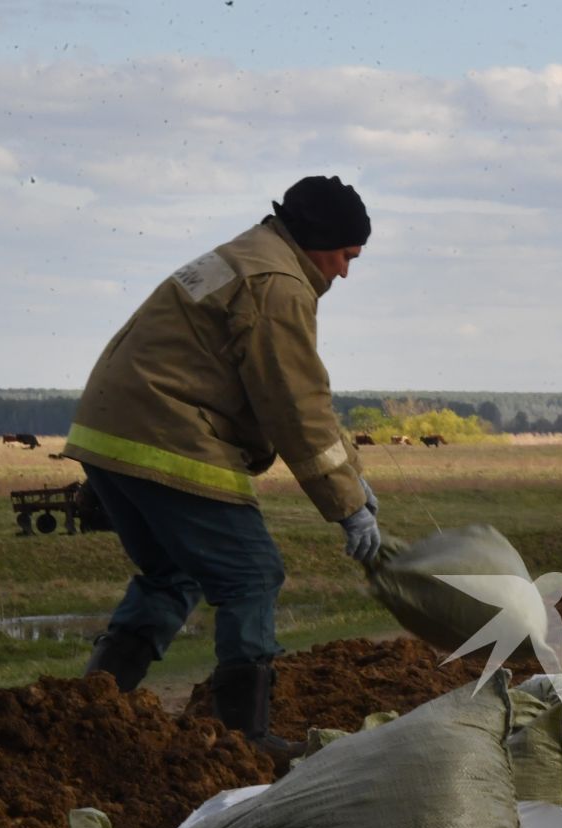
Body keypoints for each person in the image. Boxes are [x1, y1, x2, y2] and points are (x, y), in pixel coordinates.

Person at [63, 175, 382, 753]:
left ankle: (90, 716)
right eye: (344, 255)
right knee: (251, 573)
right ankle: (245, 740)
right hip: (165, 430)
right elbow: (293, 402)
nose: (344, 272)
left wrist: (351, 473)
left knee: (171, 573)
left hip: (108, 430)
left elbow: (294, 389)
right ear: (317, 239)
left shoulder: (243, 257)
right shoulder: (278, 284)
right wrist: (348, 506)